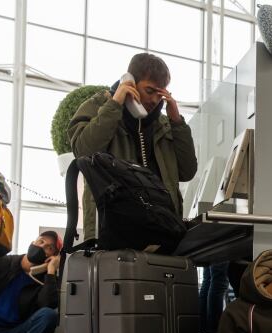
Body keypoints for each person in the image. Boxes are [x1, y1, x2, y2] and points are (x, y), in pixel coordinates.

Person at [68, 52, 198, 241]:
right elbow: (84, 151)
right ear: (130, 83)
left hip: (162, 232)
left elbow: (187, 171)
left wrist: (177, 121)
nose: (155, 100)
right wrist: (115, 104)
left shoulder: (165, 125)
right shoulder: (98, 108)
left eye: (160, 93)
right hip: (112, 230)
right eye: (150, 91)